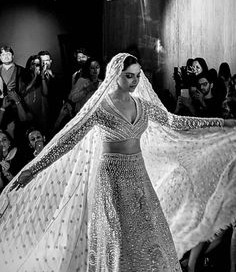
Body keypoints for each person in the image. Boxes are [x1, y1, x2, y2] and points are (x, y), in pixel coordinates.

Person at [0, 53, 236, 272]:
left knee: (149, 235)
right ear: (116, 75)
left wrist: (222, 123)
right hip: (112, 179)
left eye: (138, 75)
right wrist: (34, 169)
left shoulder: (142, 105)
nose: (134, 81)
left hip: (139, 176)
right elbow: (67, 141)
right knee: (118, 239)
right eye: (129, 75)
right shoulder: (101, 108)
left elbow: (175, 122)